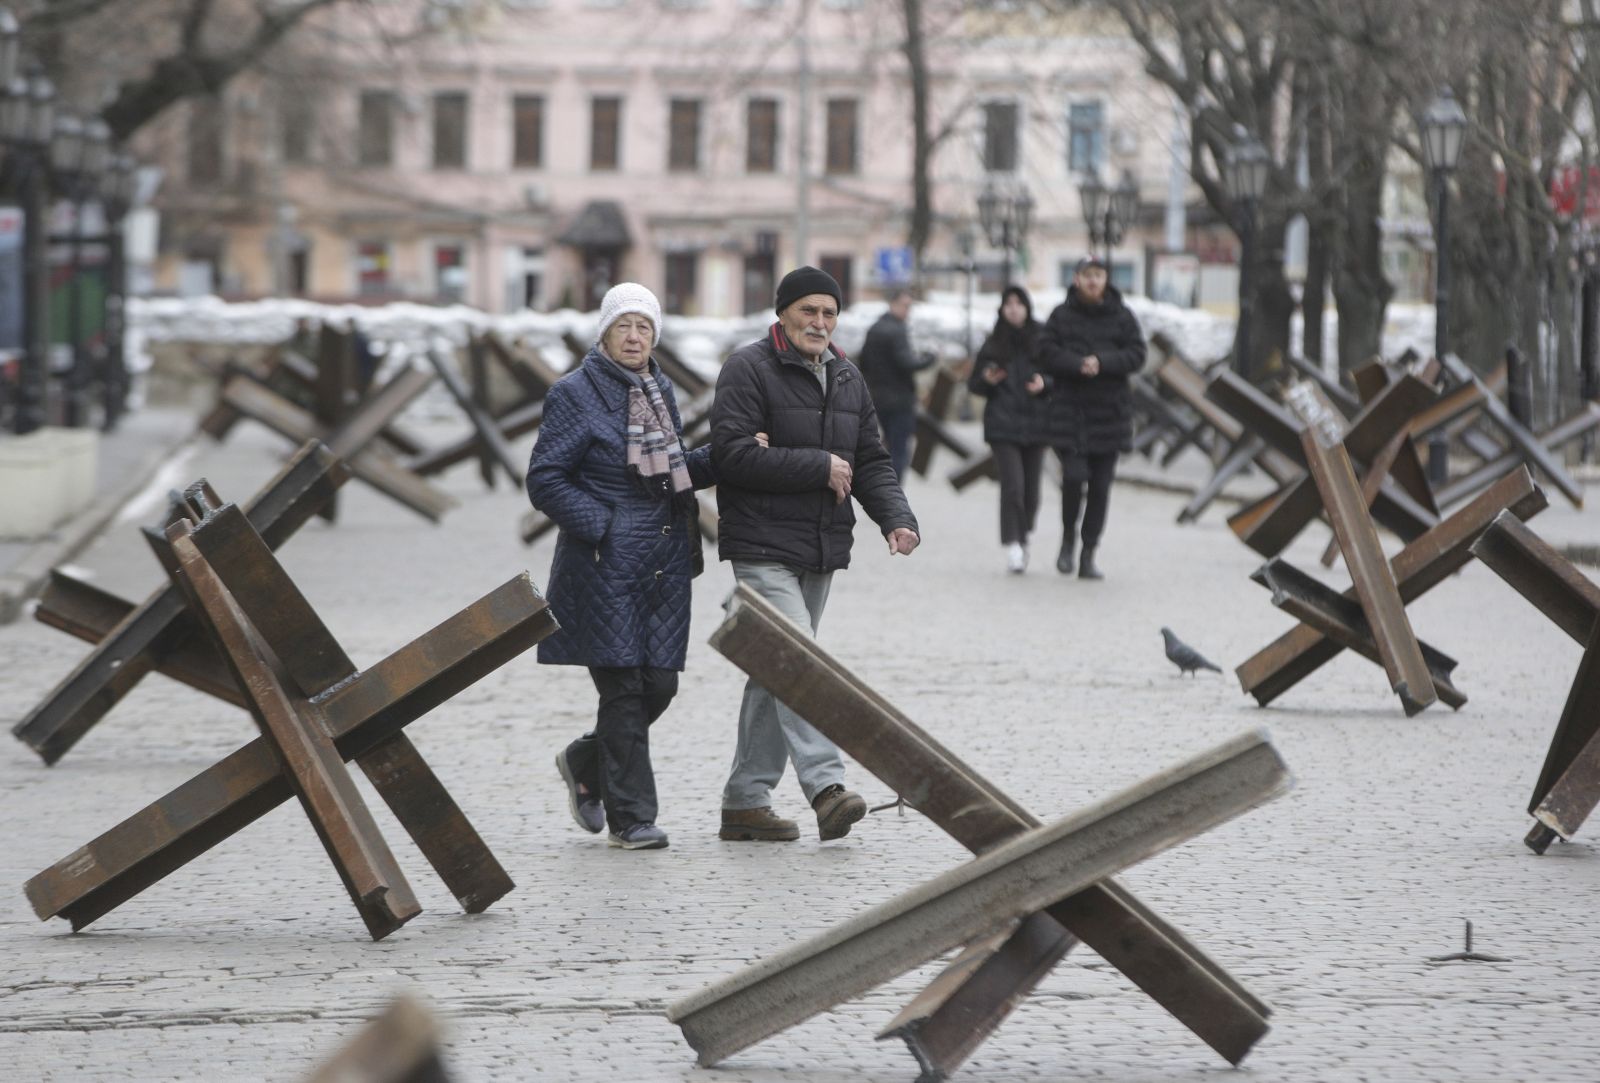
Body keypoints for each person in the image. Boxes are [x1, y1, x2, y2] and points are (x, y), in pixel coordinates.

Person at [710, 265, 921, 843]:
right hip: (760, 544)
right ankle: (827, 788)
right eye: (809, 311)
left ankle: (746, 802)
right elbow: (728, 455)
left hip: (820, 545)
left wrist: (897, 519)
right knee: (800, 663)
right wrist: (817, 465)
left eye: (829, 312)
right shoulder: (747, 368)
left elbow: (871, 460)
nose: (820, 323)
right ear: (783, 313)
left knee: (775, 670)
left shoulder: (848, 377)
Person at [528, 282, 715, 851]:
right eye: (624, 326)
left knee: (659, 684)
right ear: (605, 333)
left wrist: (730, 455)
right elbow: (545, 478)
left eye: (644, 327)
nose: (635, 337)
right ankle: (631, 819)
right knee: (625, 691)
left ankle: (585, 758)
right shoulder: (574, 393)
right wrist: (603, 525)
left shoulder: (660, 391)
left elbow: (669, 472)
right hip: (603, 566)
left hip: (662, 564)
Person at [1035, 256, 1147, 580]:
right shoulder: (1061, 315)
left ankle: (1088, 552)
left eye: (1098, 275)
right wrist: (1076, 364)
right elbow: (1045, 350)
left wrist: (1104, 362)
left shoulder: (1122, 316)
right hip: (1070, 413)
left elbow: (1137, 354)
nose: (1093, 281)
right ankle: (1068, 537)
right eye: (1088, 275)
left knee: (1100, 487)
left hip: (1110, 415)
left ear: (1106, 279)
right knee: (1073, 478)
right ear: (1077, 279)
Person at [968, 285, 1048, 574]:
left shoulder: (1042, 338)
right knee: (1012, 486)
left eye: (1019, 303)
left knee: (1032, 494)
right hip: (1002, 424)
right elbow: (974, 385)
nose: (1013, 308)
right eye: (1008, 303)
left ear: (1027, 307)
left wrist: (1045, 383)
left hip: (1037, 424)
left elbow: (1057, 376)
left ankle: (1023, 535)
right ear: (1001, 308)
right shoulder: (993, 342)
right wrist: (987, 379)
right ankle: (1014, 543)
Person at [857, 288, 936, 479]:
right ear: (893, 304)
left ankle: (882, 486)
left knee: (885, 444)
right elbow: (907, 362)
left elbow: (863, 361)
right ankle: (894, 493)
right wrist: (930, 357)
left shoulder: (875, 328)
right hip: (900, 400)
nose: (908, 310)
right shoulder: (897, 329)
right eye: (905, 305)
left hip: (877, 398)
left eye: (910, 306)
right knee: (899, 449)